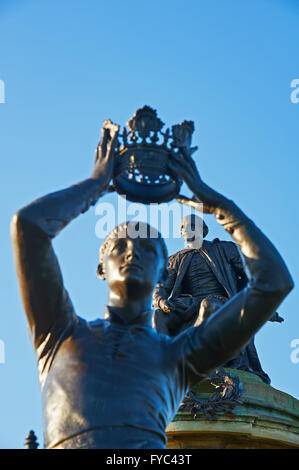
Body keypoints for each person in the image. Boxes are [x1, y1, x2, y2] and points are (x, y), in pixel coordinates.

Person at [11, 123, 294, 449]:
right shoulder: (59, 333)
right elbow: (27, 227)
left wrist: (217, 206)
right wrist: (94, 185)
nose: (133, 251)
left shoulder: (177, 357)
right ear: (102, 267)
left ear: (163, 269)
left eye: (147, 249)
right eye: (120, 246)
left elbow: (274, 283)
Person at [152, 212, 282, 383]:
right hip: (188, 306)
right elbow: (161, 287)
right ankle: (166, 365)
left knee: (209, 305)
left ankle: (194, 355)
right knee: (159, 316)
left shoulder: (223, 249)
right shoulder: (175, 259)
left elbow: (250, 273)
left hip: (222, 302)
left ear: (203, 230)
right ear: (181, 232)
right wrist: (161, 301)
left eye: (194, 226)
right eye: (184, 227)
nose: (189, 230)